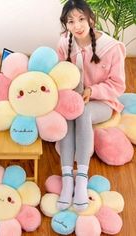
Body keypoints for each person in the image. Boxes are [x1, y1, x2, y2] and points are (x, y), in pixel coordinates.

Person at [56, 0, 126, 211]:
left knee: (83, 113)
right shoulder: (64, 43)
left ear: (91, 20)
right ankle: (68, 179)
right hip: (75, 98)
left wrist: (92, 91)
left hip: (102, 101)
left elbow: (118, 85)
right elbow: (59, 74)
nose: (77, 25)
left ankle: (82, 179)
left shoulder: (112, 48)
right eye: (70, 21)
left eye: (81, 19)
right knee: (70, 112)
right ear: (65, 24)